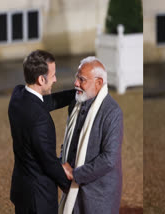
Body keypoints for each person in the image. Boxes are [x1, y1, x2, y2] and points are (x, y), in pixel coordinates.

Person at [8, 50, 75, 214]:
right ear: (41, 79)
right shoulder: (40, 120)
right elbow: (48, 161)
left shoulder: (17, 95)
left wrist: (76, 93)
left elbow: (46, 102)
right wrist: (69, 186)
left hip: (21, 189)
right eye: (53, 76)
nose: (56, 79)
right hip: (38, 199)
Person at [59, 57, 123, 214]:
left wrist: (74, 174)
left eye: (82, 80)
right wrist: (62, 163)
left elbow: (109, 159)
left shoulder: (112, 112)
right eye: (77, 77)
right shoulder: (75, 104)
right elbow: (67, 141)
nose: (76, 83)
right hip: (72, 191)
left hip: (98, 195)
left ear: (99, 83)